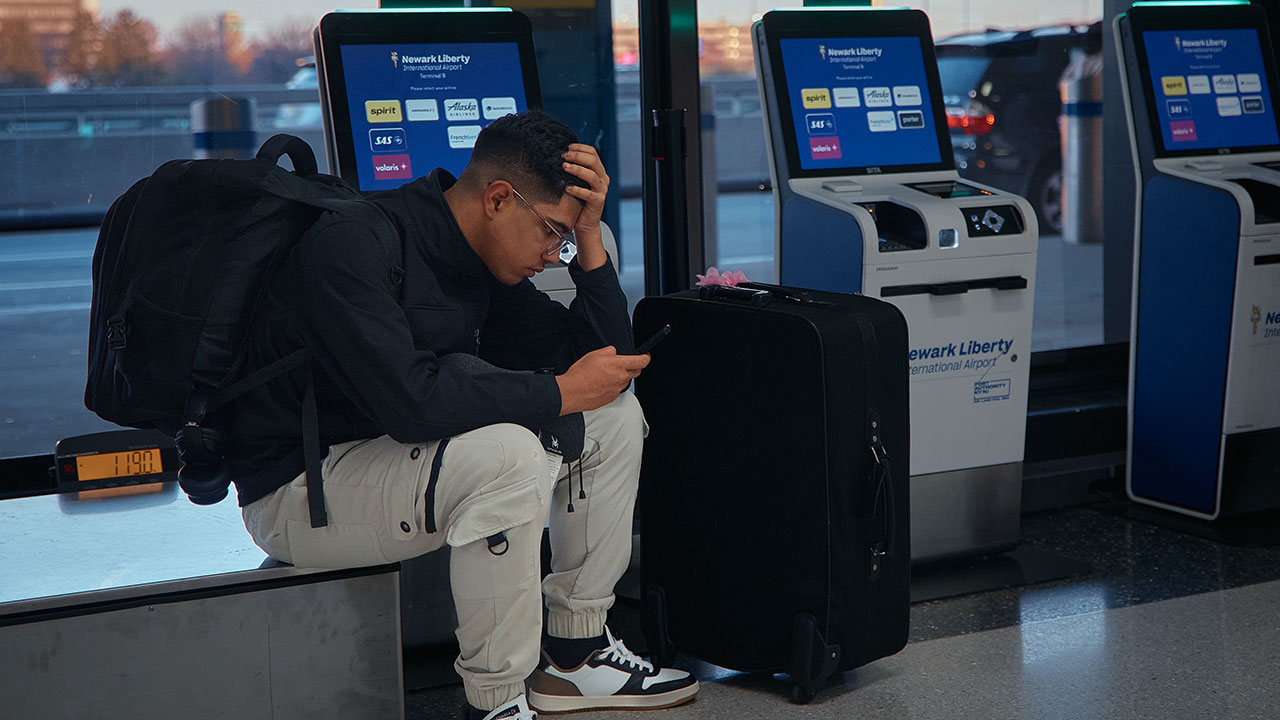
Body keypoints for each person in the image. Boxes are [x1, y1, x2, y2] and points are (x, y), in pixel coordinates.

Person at [229, 110, 698, 719]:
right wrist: (557, 392)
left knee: (611, 418)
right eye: (552, 233)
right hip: (299, 490)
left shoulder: (477, 259)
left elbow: (604, 366)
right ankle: (497, 704)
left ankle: (577, 653)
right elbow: (412, 403)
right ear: (499, 199)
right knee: (510, 453)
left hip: (394, 465)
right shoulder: (356, 244)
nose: (552, 256)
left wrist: (589, 239)